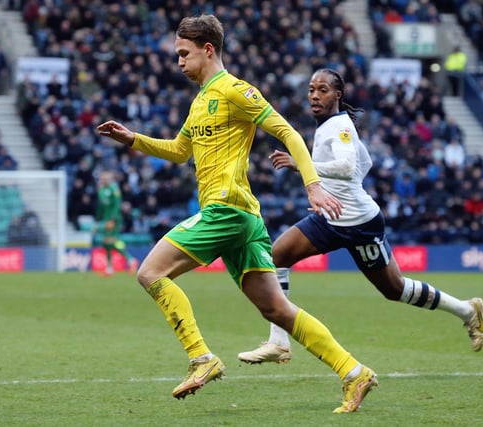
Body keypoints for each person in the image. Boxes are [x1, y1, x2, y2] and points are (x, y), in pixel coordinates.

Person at [97, 15, 377, 413]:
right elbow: (180, 152)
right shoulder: (199, 101)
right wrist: (133, 139)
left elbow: (289, 133)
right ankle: (354, 373)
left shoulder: (235, 91)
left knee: (150, 273)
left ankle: (201, 357)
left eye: (183, 54)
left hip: (226, 210)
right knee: (276, 309)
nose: (178, 62)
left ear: (208, 49)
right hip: (242, 218)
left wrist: (312, 183)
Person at [237, 69, 483, 367]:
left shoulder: (339, 126)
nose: (315, 95)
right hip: (330, 217)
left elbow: (347, 166)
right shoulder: (329, 125)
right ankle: (279, 342)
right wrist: (338, 191)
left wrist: (300, 164)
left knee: (394, 289)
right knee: (275, 257)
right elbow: (363, 162)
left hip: (360, 224)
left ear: (337, 95)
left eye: (323, 90)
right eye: (311, 89)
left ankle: (467, 311)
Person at [93, 170, 138, 276]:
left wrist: (113, 219)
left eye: (106, 178)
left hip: (114, 219)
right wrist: (98, 220)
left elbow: (117, 205)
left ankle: (130, 260)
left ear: (110, 179)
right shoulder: (101, 190)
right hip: (106, 219)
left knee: (111, 241)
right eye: (102, 178)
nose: (104, 180)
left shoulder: (114, 189)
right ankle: (110, 268)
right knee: (106, 243)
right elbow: (101, 207)